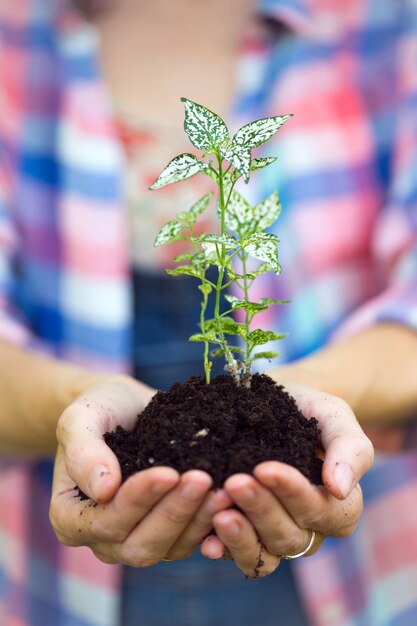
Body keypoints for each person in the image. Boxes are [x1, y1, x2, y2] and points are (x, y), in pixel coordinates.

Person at [0, 1, 415, 626]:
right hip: (60, 584)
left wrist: (308, 405)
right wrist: (76, 402)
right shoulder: (17, 34)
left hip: (361, 574)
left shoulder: (390, 23)